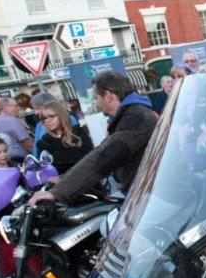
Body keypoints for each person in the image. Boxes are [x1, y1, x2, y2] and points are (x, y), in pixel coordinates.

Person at [29, 71, 157, 205]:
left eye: (96, 97)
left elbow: (104, 157)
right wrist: (63, 179)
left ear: (108, 96)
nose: (96, 102)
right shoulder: (131, 115)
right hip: (142, 190)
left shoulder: (135, 118)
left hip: (146, 195)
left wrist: (58, 192)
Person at [36, 99, 94, 175]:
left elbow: (90, 155)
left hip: (89, 178)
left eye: (51, 116)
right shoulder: (43, 143)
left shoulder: (78, 132)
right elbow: (50, 169)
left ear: (61, 115)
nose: (48, 121)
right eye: (44, 118)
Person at [0, 96, 33, 161]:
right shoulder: (13, 120)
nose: (18, 108)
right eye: (15, 106)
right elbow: (26, 142)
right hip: (21, 158)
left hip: (6, 158)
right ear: (5, 107)